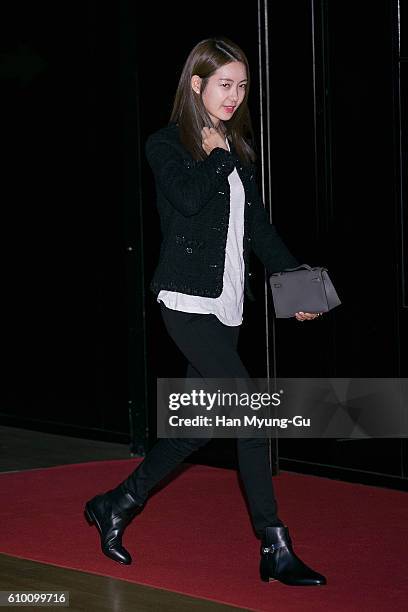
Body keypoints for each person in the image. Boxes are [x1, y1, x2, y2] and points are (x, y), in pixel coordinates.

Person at [84, 36, 326, 587]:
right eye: (224, 85)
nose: (234, 96)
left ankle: (117, 503)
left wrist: (298, 288)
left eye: (242, 86)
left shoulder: (238, 152)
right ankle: (275, 544)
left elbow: (258, 230)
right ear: (196, 84)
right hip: (186, 305)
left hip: (226, 307)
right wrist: (216, 155)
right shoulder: (165, 144)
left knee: (196, 428)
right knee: (249, 412)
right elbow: (189, 199)